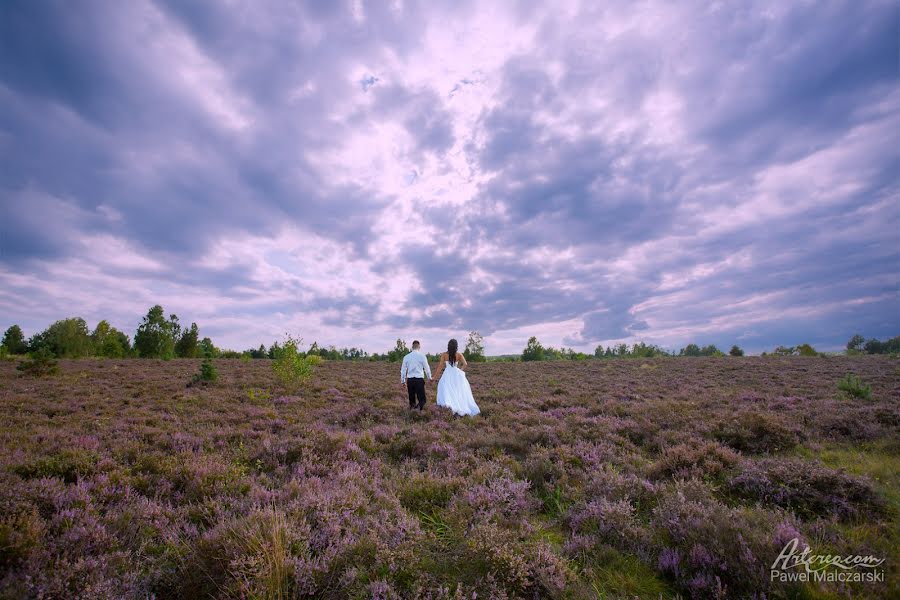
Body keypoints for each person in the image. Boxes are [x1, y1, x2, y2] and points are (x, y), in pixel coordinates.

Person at [434, 338, 480, 416]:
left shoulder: (444, 355)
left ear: (448, 346)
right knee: (457, 391)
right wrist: (460, 370)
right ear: (456, 346)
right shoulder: (459, 354)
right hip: (456, 375)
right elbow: (465, 364)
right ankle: (457, 407)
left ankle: (449, 407)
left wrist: (434, 377)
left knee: (446, 390)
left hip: (447, 374)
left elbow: (440, 367)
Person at [400, 340, 432, 410]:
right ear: (419, 347)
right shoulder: (422, 356)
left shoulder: (406, 357)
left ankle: (413, 412)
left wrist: (403, 381)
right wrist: (429, 378)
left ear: (412, 347)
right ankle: (417, 412)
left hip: (410, 380)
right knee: (422, 400)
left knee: (412, 401)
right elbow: (427, 368)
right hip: (419, 380)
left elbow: (403, 370)